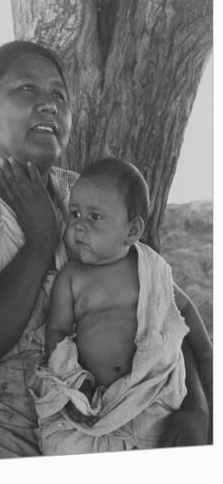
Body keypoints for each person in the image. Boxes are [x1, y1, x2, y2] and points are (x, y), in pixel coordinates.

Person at [0, 41, 209, 464]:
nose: (47, 104)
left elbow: (161, 304)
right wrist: (41, 236)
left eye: (59, 95)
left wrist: (197, 408)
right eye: (26, 90)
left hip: (85, 434)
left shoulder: (83, 198)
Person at [32, 158, 213, 454]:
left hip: (152, 394)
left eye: (95, 217)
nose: (78, 225)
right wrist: (73, 383)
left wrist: (206, 365)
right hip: (93, 400)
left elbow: (184, 313)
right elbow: (57, 332)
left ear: (131, 231)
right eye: (75, 213)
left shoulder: (150, 268)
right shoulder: (72, 277)